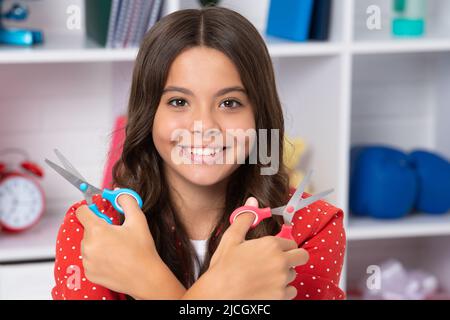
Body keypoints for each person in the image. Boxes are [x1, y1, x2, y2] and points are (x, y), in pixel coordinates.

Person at [51, 6, 346, 300]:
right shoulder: (93, 227)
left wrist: (148, 280)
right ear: (149, 113)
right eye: (179, 102)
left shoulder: (311, 225)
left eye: (229, 103)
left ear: (259, 116)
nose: (204, 127)